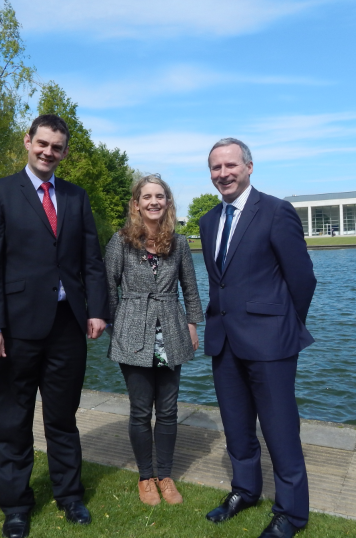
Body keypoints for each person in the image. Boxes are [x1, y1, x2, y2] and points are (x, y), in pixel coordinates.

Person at [0, 114, 109, 538]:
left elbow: (90, 260)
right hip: (13, 331)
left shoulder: (75, 196)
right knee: (12, 421)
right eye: (43, 144)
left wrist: (97, 309)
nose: (49, 152)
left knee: (63, 418)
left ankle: (70, 495)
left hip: (67, 328)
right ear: (28, 142)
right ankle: (16, 506)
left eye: (57, 147)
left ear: (65, 152)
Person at [198, 138, 317, 538]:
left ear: (249, 167)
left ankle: (291, 513)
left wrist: (285, 325)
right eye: (216, 168)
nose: (223, 174)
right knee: (236, 425)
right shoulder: (210, 220)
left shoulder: (276, 211)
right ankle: (245, 490)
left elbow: (302, 278)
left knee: (280, 429)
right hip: (224, 340)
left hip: (270, 342)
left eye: (230, 165)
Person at [104, 175, 203, 506]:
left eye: (159, 196)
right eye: (146, 197)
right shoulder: (120, 241)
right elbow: (109, 286)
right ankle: (146, 477)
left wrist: (193, 324)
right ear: (136, 204)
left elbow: (189, 288)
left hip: (169, 333)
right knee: (140, 410)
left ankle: (166, 475)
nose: (153, 202)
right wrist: (117, 325)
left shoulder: (178, 243)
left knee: (170, 409)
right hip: (133, 333)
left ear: (167, 201)